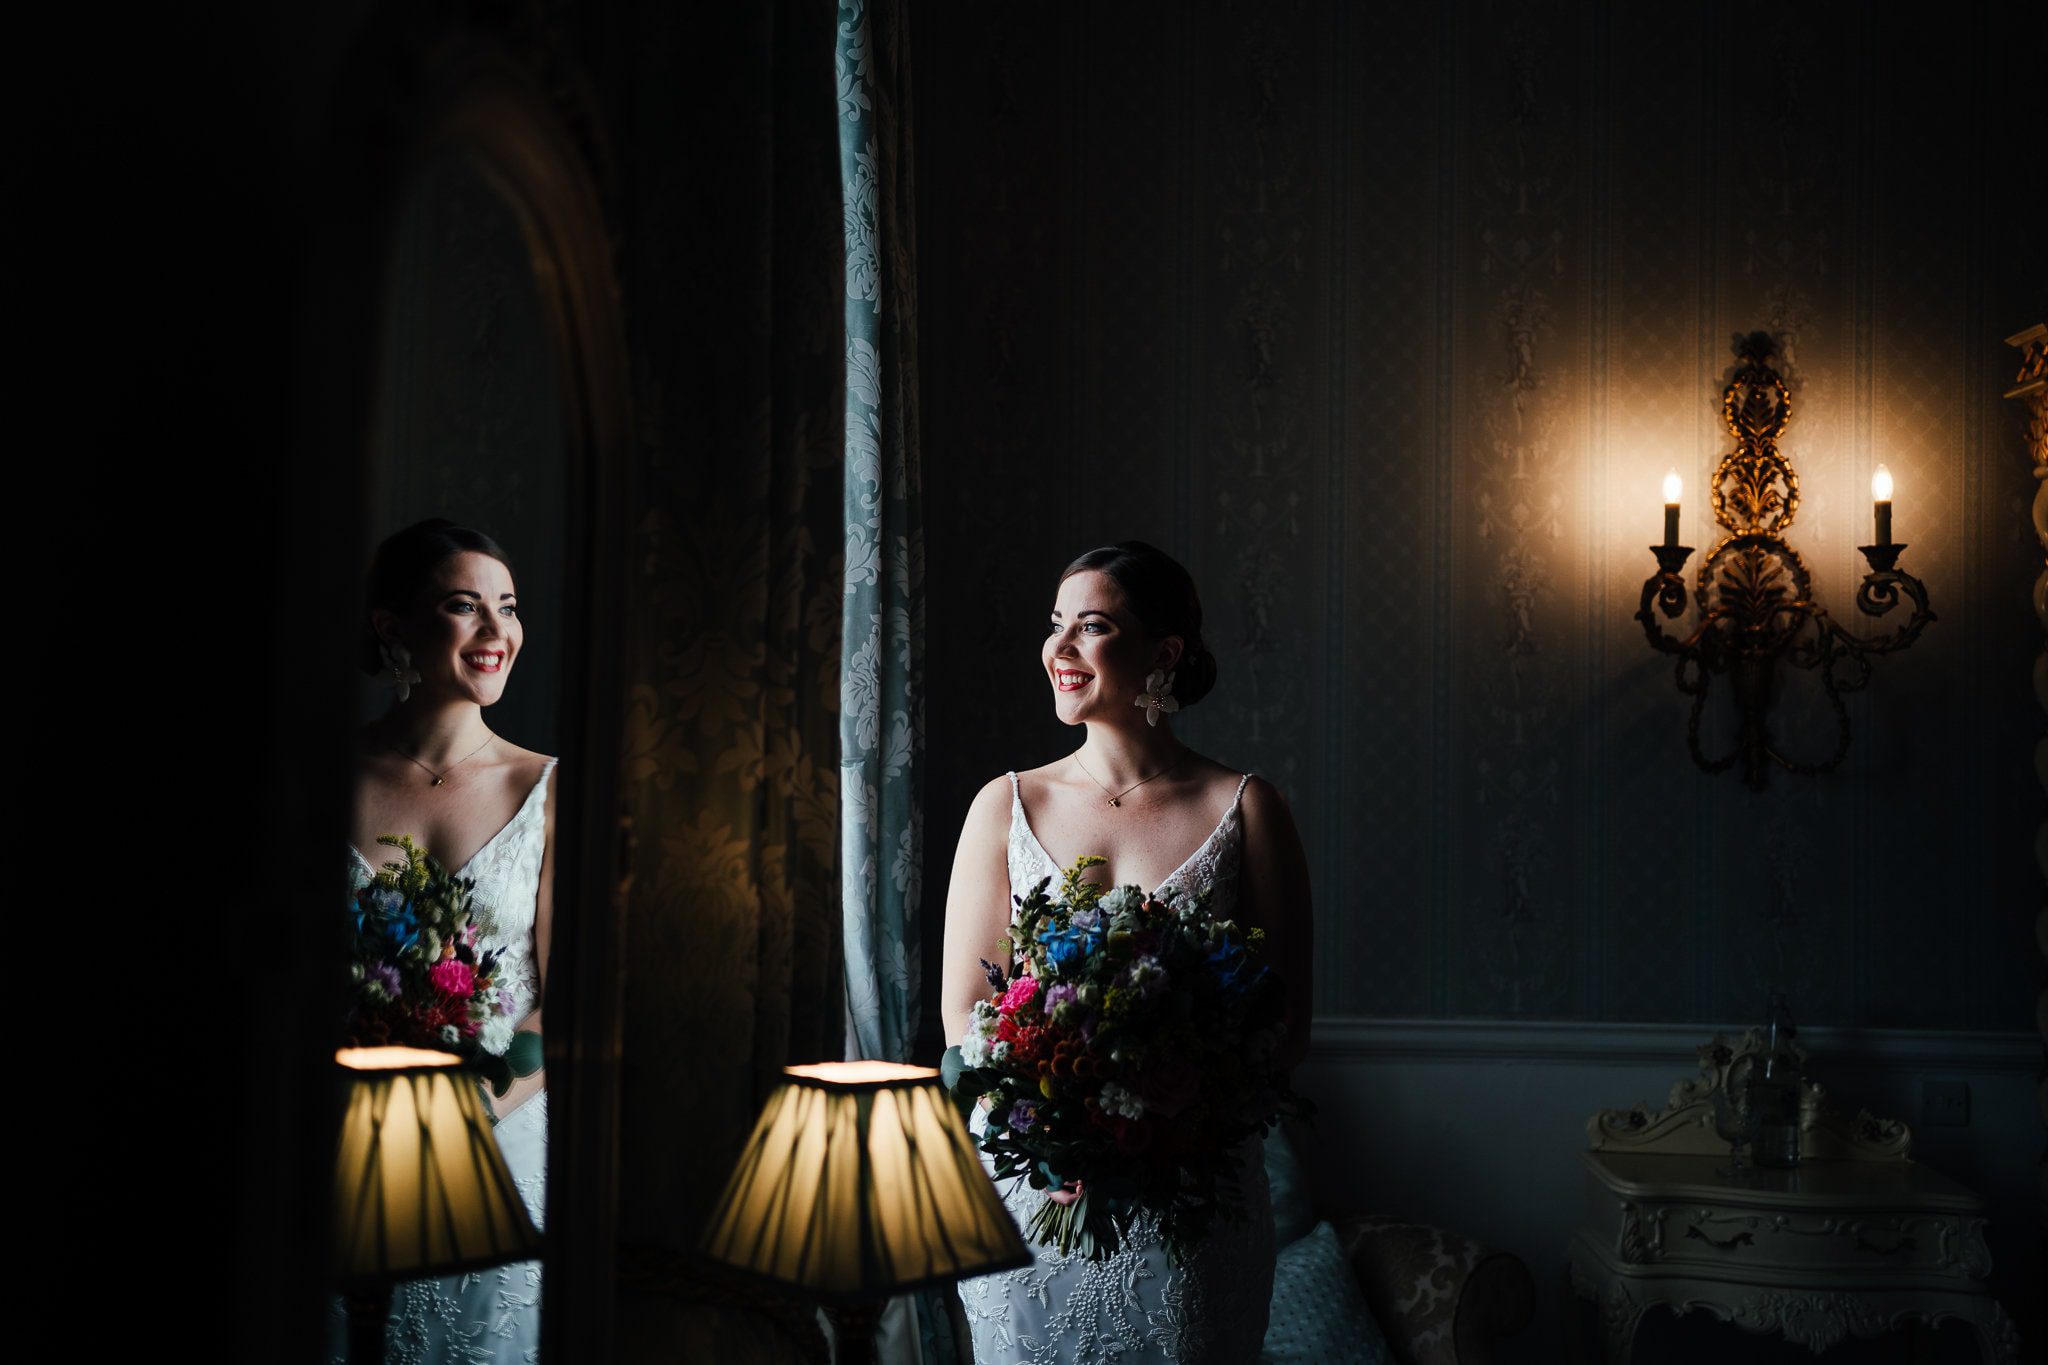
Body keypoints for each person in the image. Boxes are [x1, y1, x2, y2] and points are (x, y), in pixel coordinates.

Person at [942, 540, 1315, 1363]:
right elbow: (968, 1018)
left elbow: (1284, 1028)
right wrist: (1062, 1133)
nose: (1060, 646)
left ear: (1164, 652)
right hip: (1036, 1194)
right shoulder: (1004, 804)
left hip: (1190, 1200)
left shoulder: (1247, 807)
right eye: (1056, 624)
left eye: (1094, 625)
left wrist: (1162, 1116)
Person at [333, 518, 556, 1364]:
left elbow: (565, 1007)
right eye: (465, 606)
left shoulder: (549, 789)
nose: (498, 631)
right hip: (339, 1139)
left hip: (495, 1144)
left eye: (509, 606)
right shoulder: (321, 778)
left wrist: (458, 1120)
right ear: (392, 626)